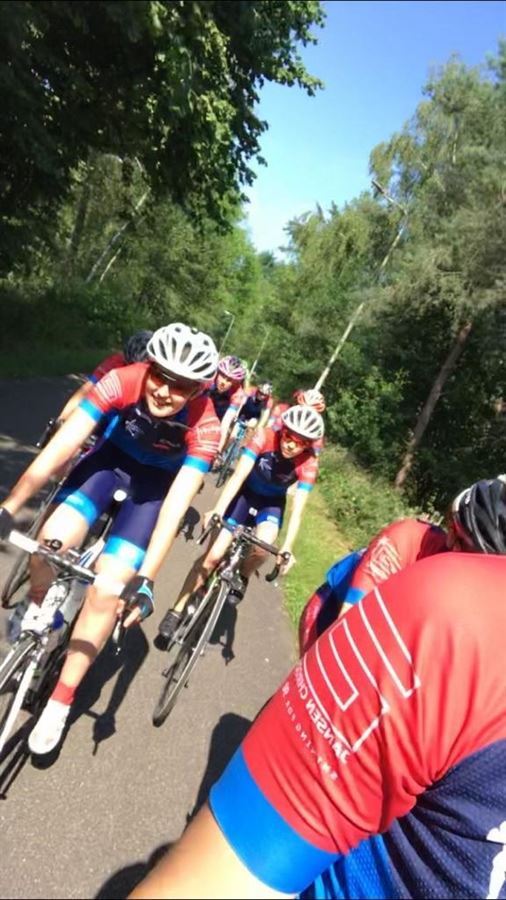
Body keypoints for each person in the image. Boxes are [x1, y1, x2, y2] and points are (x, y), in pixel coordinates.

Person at [129, 476, 506, 900]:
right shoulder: (406, 540)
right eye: (457, 542)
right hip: (337, 616)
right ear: (450, 526)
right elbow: (351, 633)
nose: (457, 557)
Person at [0, 323, 220, 755]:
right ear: (148, 366)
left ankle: (60, 700)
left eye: (180, 386)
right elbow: (62, 446)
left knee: (107, 590)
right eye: (160, 376)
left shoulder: (206, 426)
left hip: (151, 492)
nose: (164, 392)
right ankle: (40, 602)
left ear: (198, 390)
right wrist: (10, 506)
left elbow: (174, 508)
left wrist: (146, 579)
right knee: (49, 543)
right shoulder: (123, 379)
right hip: (106, 465)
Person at [158, 404, 324, 641]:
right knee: (212, 557)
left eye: (301, 443)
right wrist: (218, 509)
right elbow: (238, 476)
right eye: (288, 436)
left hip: (271, 504)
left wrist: (287, 547)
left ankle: (244, 574)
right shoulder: (264, 436)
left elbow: (298, 510)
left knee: (263, 547)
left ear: (309, 445)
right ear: (282, 430)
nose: (291, 445)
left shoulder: (309, 464)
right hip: (244, 495)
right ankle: (177, 609)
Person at [299, 476, 506, 655]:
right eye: (451, 524)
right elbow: (347, 623)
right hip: (332, 607)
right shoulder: (407, 538)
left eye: (463, 543)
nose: (449, 541)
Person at [57, 329, 153, 422]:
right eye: (129, 366)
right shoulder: (115, 362)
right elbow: (86, 390)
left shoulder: (156, 375)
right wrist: (61, 420)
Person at [203, 355, 247, 454]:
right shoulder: (210, 378)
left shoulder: (237, 393)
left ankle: (223, 452)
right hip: (206, 401)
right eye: (222, 376)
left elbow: (225, 423)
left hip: (221, 412)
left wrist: (217, 451)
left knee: (229, 432)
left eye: (229, 380)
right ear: (218, 372)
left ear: (235, 382)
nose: (223, 382)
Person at [270, 388, 326, 457]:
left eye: (303, 443)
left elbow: (316, 453)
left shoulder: (316, 434)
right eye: (287, 436)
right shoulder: (282, 409)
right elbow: (271, 429)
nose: (291, 446)